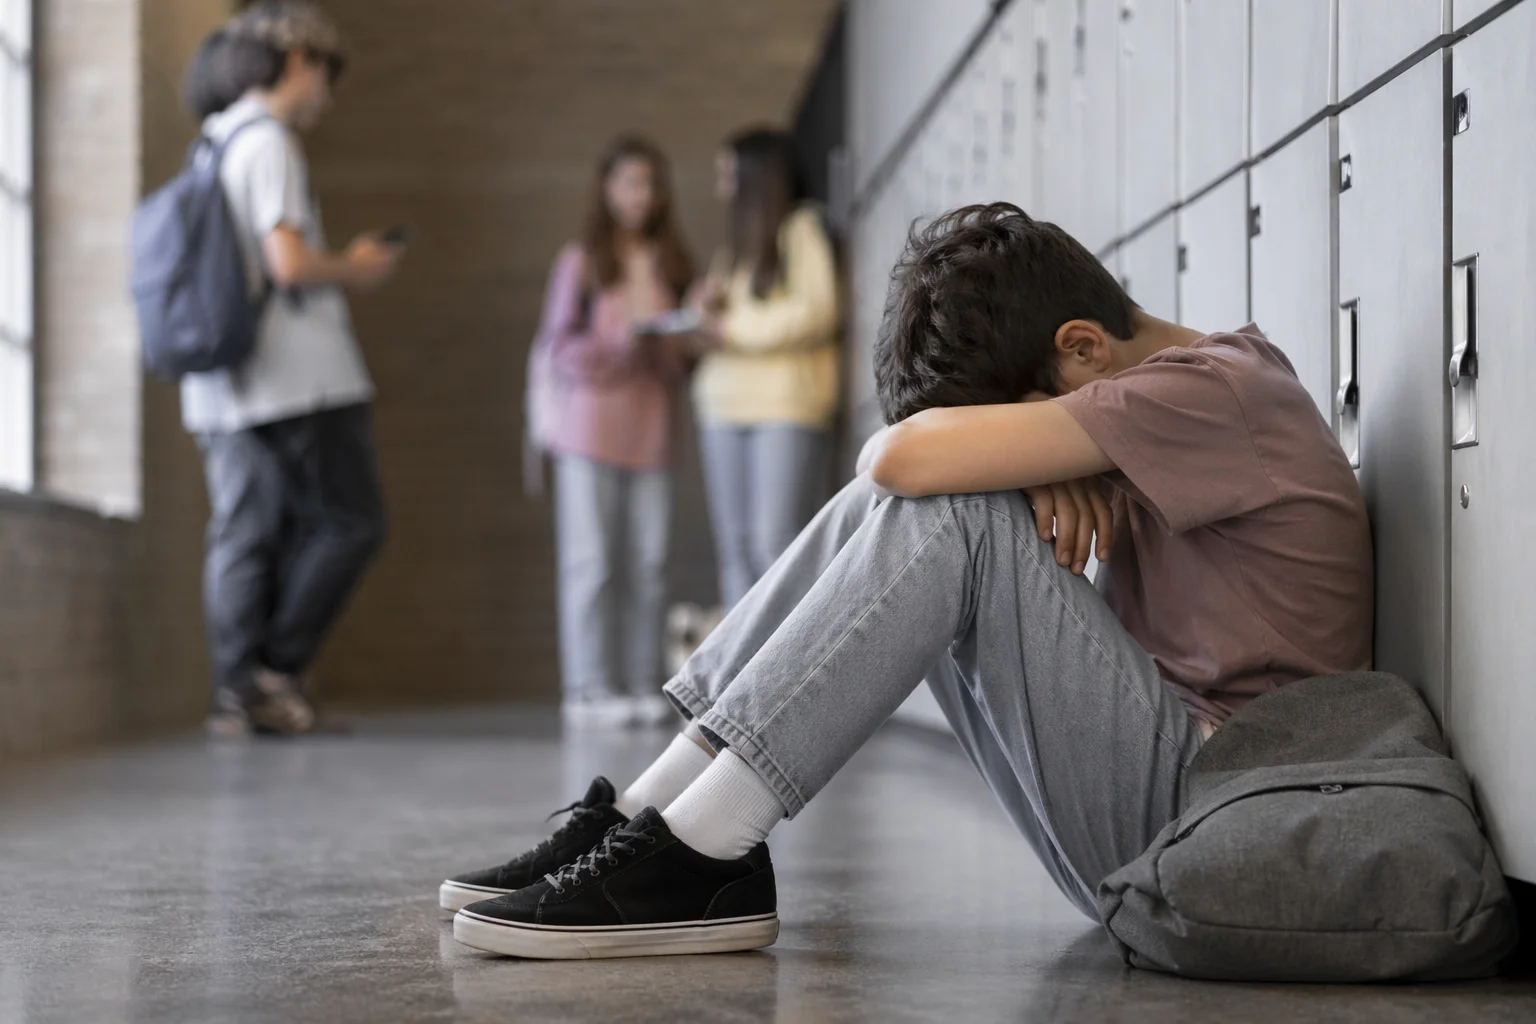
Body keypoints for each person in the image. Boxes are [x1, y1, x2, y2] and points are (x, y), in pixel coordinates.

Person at [437, 203, 1373, 961]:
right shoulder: (1154, 396)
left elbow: (902, 460)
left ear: (1082, 347)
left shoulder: (1216, 390)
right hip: (1154, 809)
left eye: (1034, 417)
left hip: (1220, 810)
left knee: (952, 507)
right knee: (901, 501)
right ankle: (649, 820)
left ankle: (702, 853)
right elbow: (888, 466)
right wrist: (1033, 447)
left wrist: (1016, 455)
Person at [181, 2, 401, 737]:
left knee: (247, 532)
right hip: (296, 375)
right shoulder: (269, 140)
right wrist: (361, 268)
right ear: (297, 60)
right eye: (322, 77)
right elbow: (290, 263)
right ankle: (272, 675)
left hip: (223, 379)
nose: (325, 97)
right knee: (351, 520)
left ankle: (239, 693)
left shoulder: (213, 140)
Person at [532, 136, 697, 728]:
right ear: (607, 189)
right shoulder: (580, 262)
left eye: (651, 184)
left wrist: (673, 343)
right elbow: (559, 348)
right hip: (588, 430)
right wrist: (616, 343)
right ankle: (587, 689)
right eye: (630, 183)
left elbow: (685, 361)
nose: (641, 196)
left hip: (652, 429)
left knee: (650, 564)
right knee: (592, 562)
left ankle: (638, 685)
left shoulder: (673, 264)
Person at [689, 128, 842, 609]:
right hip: (722, 407)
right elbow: (720, 324)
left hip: (784, 406)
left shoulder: (802, 228)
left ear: (756, 176)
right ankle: (738, 681)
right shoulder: (733, 250)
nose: (720, 186)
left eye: (727, 173)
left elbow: (816, 311)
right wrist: (700, 311)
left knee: (774, 545)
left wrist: (732, 329)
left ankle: (781, 678)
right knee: (734, 552)